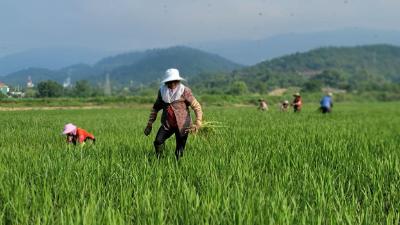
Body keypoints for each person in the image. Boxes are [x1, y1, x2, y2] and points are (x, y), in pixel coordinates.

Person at [144, 68, 203, 160]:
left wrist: (198, 121)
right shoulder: (162, 91)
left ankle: (178, 166)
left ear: (178, 81)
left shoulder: (184, 91)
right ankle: (160, 160)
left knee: (179, 151)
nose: (172, 84)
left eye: (174, 81)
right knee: (158, 141)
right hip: (167, 124)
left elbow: (196, 106)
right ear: (166, 82)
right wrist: (149, 124)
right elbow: (155, 108)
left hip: (183, 125)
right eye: (170, 82)